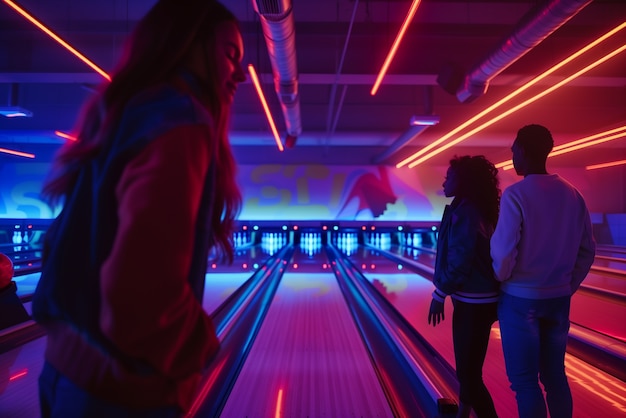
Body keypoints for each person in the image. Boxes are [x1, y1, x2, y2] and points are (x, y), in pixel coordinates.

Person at [31, 1, 246, 416]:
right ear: (190, 46)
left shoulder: (126, 113)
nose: (238, 73)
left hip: (64, 373)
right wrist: (201, 345)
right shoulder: (182, 122)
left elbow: (58, 242)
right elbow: (140, 296)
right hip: (118, 393)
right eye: (230, 54)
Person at [490, 124, 596, 418]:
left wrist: (502, 278)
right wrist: (567, 285)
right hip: (559, 299)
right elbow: (588, 250)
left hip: (519, 299)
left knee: (525, 383)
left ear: (522, 150)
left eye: (513, 150)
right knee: (555, 377)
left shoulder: (515, 194)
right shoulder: (573, 194)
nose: (512, 156)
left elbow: (502, 251)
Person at [428, 155, 501, 418]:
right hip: (477, 299)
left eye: (450, 177)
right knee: (470, 370)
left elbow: (460, 258)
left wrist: (440, 293)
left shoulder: (467, 211)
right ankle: (464, 412)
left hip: (474, 301)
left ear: (463, 181)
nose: (445, 181)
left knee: (468, 374)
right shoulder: (470, 206)